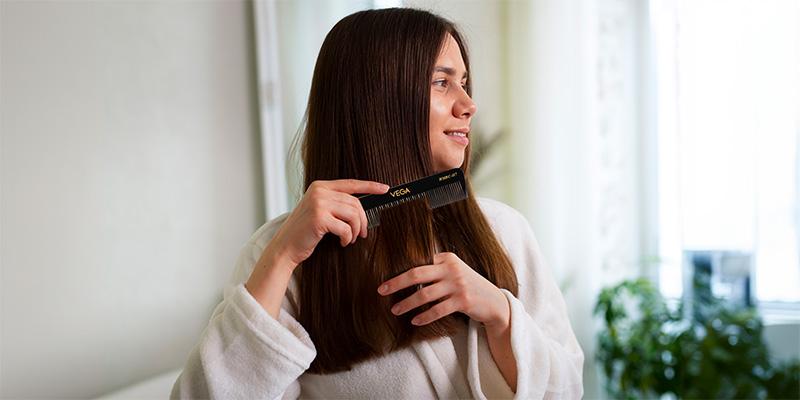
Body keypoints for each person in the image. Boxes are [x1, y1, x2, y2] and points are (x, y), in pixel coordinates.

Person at [171, 7, 583, 399]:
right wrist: (281, 257)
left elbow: (568, 389)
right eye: (442, 82)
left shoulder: (504, 229)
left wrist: (499, 313)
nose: (468, 104)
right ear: (380, 98)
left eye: (464, 82)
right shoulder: (283, 256)